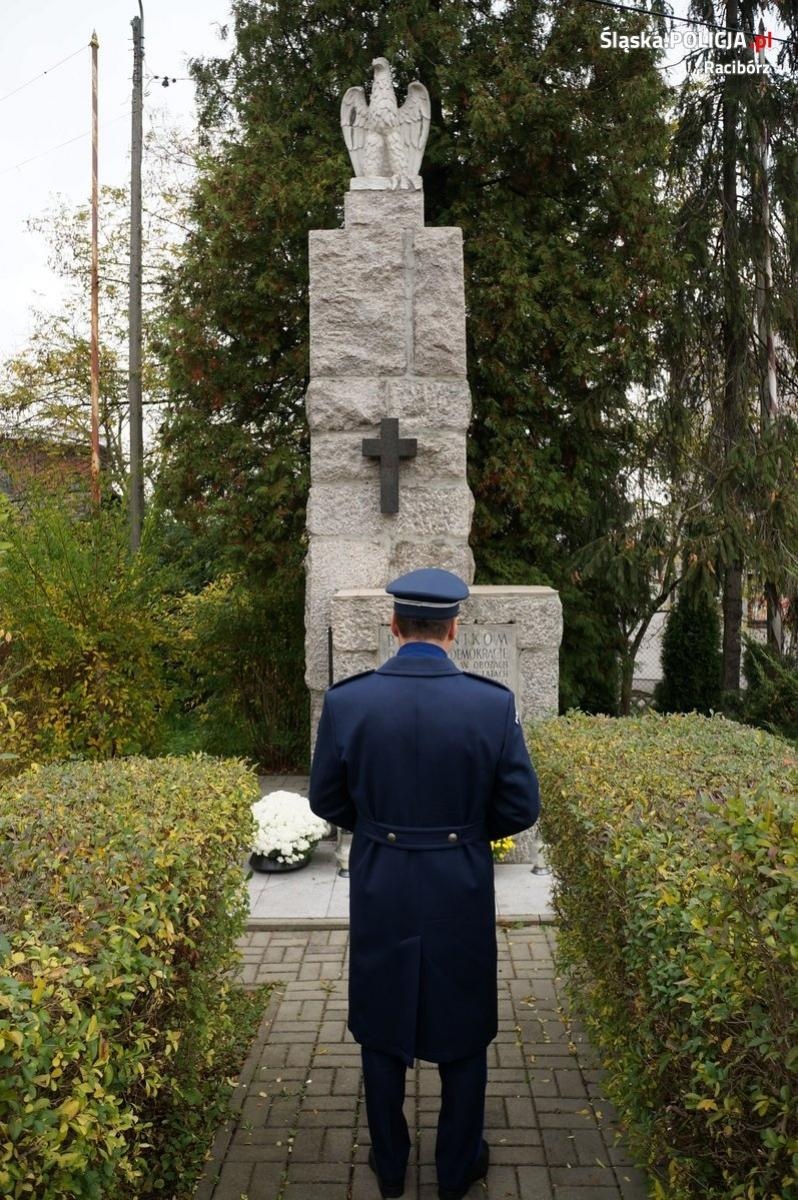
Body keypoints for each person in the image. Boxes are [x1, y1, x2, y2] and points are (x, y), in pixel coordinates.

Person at [309, 568, 540, 1200]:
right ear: (453, 627)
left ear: (394, 624)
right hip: (458, 881)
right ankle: (455, 1167)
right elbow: (520, 806)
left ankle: (389, 1167)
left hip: (382, 879)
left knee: (382, 1023)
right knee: (464, 1028)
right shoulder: (489, 704)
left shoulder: (348, 701)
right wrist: (463, 831)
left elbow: (326, 798)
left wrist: (382, 828)